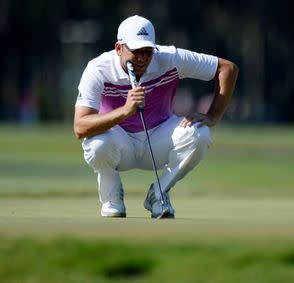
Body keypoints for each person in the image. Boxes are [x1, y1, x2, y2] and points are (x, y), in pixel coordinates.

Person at [73, 15, 238, 219]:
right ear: (118, 48)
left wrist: (213, 116)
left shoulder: (170, 58)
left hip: (160, 138)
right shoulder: (98, 68)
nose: (142, 58)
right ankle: (112, 197)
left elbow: (227, 69)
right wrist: (125, 111)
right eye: (136, 52)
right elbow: (80, 127)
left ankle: (159, 194)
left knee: (201, 134)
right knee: (98, 143)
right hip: (119, 142)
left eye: (147, 51)